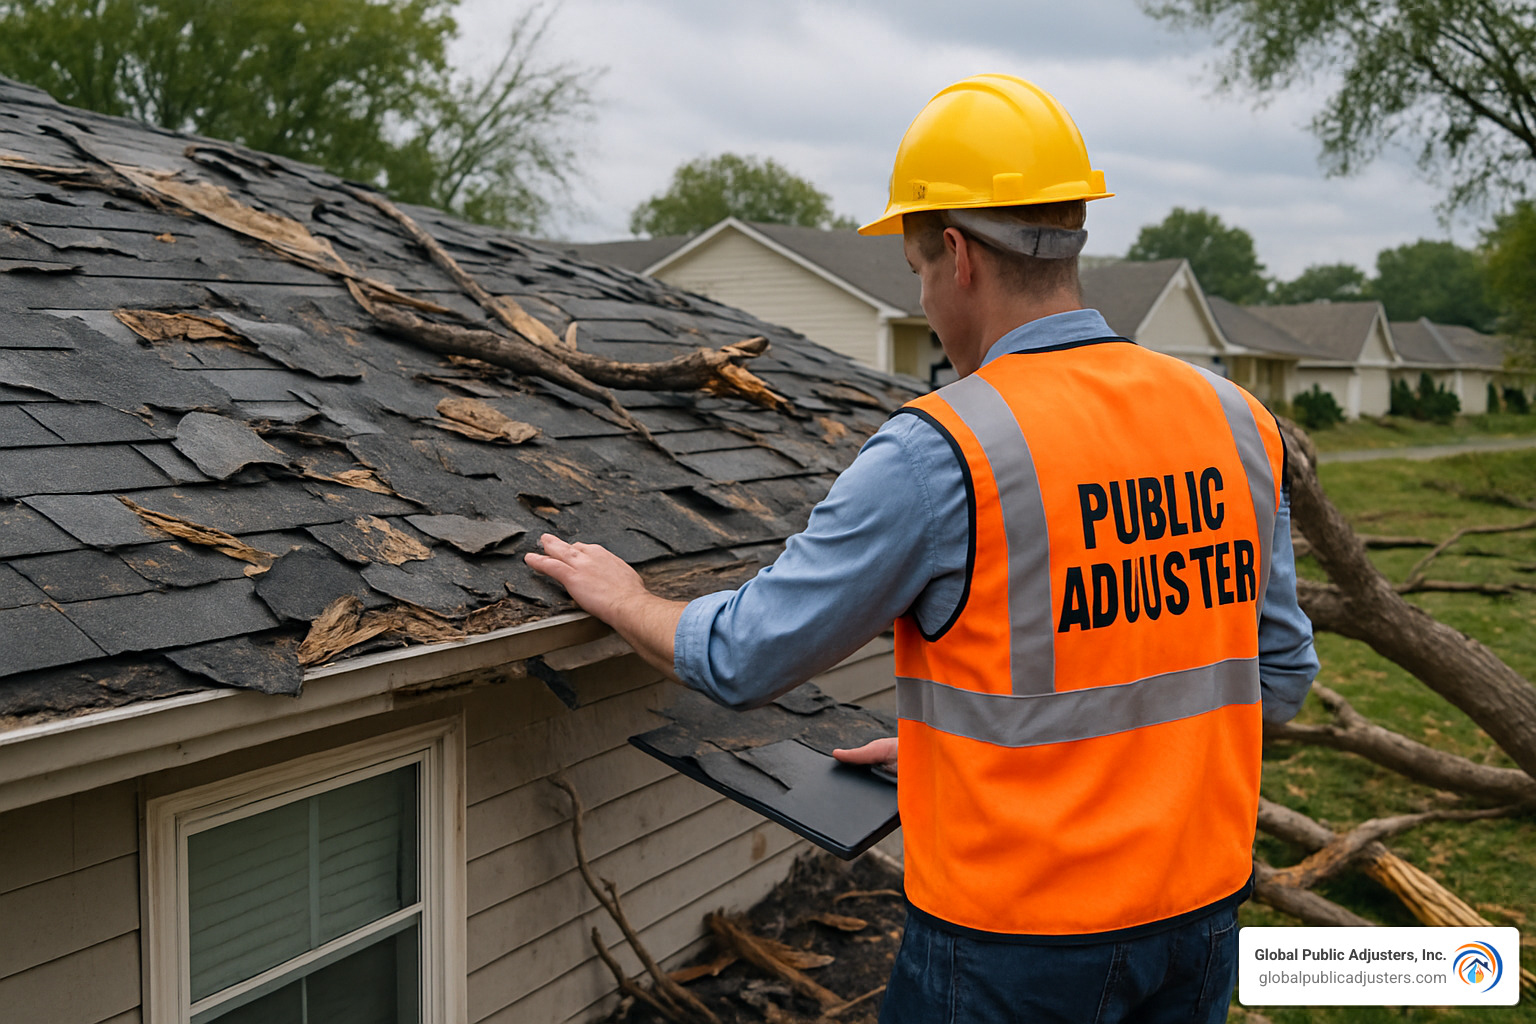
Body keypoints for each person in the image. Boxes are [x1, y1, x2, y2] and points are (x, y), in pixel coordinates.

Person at [528, 74, 1318, 1024]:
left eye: (917, 273)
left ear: (956, 255)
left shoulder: (947, 449)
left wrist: (620, 597)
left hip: (1013, 950)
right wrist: (980, 752)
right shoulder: (1236, 421)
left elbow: (744, 655)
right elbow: (1270, 680)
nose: (928, 296)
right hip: (1197, 927)